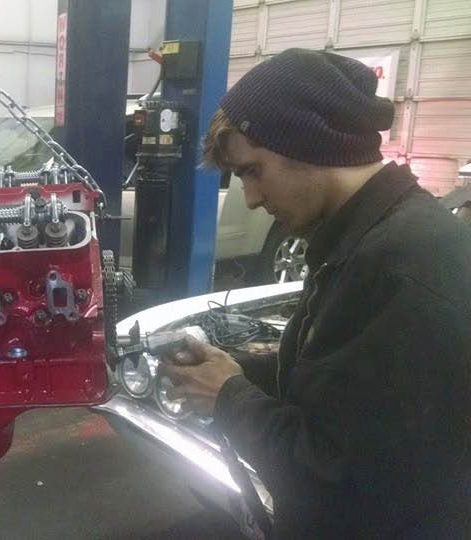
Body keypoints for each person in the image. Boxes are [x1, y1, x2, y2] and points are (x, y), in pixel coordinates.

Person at [160, 48, 471, 537]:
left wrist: (229, 397)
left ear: (307, 145)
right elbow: (345, 396)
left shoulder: (401, 268)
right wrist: (238, 372)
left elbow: (336, 481)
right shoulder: (369, 241)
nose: (252, 199)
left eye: (253, 171)